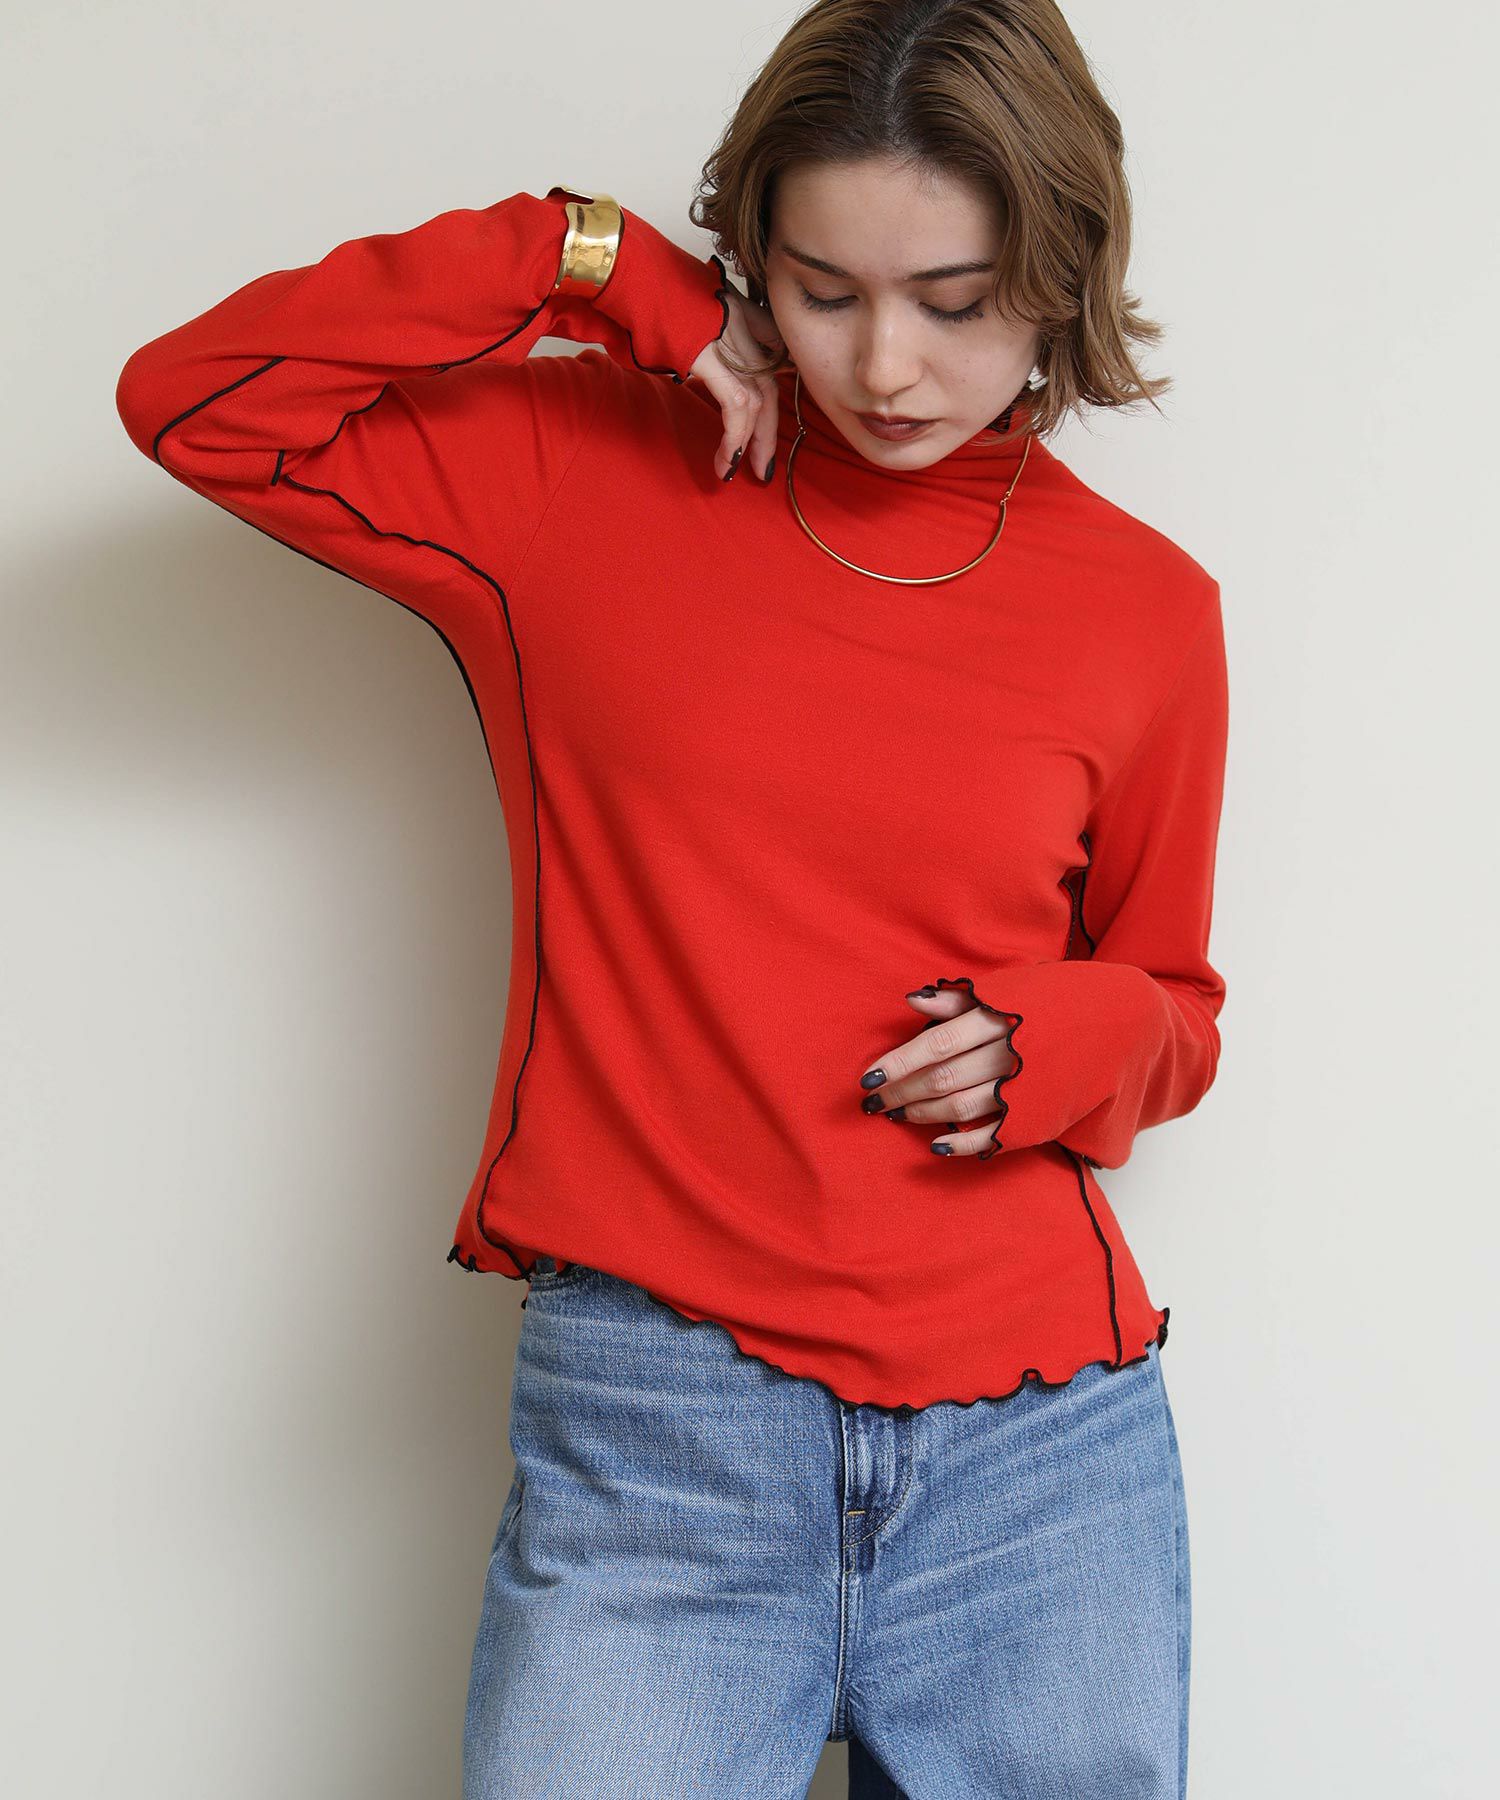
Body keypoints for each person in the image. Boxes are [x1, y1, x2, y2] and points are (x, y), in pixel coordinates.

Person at [116, 0, 1224, 1791]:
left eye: (956, 303)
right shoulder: (577, 477)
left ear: (1060, 276)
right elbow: (197, 403)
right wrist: (584, 258)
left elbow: (1177, 1010)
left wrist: (1080, 1031)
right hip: (658, 1436)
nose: (885, 366)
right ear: (748, 261)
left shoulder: (1147, 609)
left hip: (1042, 1461)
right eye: (822, 290)